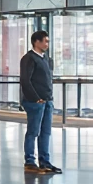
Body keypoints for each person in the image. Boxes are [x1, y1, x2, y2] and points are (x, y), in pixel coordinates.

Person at [20, 30, 60, 175]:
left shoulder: (46, 59)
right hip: (35, 102)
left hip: (47, 101)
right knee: (33, 131)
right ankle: (30, 161)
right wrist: (36, 98)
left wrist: (48, 98)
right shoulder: (29, 58)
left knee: (45, 132)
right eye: (45, 41)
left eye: (48, 41)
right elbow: (25, 80)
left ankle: (45, 162)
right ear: (36, 42)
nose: (47, 44)